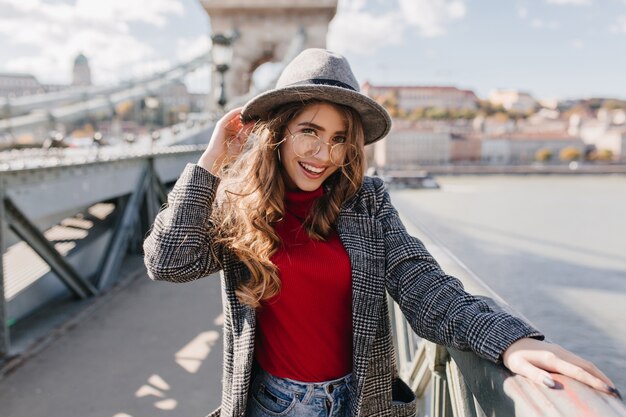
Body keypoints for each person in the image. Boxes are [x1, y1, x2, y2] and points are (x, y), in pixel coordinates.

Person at [143, 49, 619, 417]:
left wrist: (510, 341)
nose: (323, 154)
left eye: (338, 138)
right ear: (279, 132)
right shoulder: (238, 205)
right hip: (273, 404)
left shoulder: (365, 201)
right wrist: (210, 163)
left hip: (359, 402)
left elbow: (426, 288)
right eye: (309, 131)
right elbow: (168, 263)